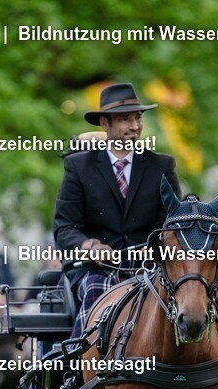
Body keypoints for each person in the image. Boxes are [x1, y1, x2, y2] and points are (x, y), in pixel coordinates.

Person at [52, 82, 181, 337]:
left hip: (150, 268)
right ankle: (83, 370)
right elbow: (64, 228)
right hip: (97, 271)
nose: (134, 126)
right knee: (95, 294)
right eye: (125, 119)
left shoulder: (162, 166)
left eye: (137, 117)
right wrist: (90, 246)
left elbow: (173, 224)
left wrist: (158, 245)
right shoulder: (78, 167)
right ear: (104, 124)